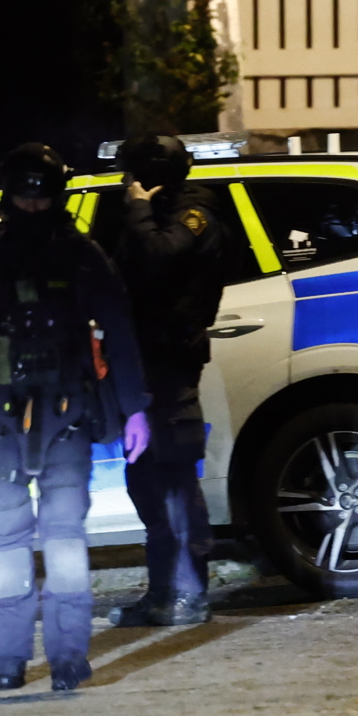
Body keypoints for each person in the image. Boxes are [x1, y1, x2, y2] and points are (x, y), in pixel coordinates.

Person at [0, 143, 151, 691]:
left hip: (66, 411)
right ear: (9, 193)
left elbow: (118, 330)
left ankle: (69, 655)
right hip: (0, 416)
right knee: (5, 540)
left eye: (43, 196)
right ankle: (9, 658)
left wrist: (136, 408)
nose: (34, 206)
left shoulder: (81, 253)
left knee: (65, 538)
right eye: (25, 195)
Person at [107, 135, 230, 628]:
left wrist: (138, 209)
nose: (123, 183)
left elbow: (162, 255)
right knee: (146, 479)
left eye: (129, 174)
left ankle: (191, 592)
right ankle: (161, 591)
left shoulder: (195, 213)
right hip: (138, 364)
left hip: (170, 362)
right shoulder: (150, 216)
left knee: (176, 477)